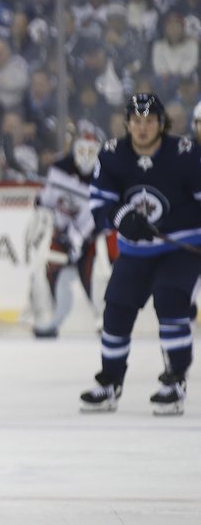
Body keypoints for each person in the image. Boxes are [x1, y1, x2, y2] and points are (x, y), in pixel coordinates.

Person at [80, 93, 201, 416]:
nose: (143, 128)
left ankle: (174, 381)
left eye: (150, 121)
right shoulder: (112, 154)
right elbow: (100, 204)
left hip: (181, 247)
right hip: (136, 251)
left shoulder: (185, 155)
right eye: (136, 121)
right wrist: (122, 218)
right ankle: (110, 382)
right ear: (127, 124)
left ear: (162, 124)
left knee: (170, 299)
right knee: (116, 311)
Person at [26, 120, 114, 338]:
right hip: (62, 232)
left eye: (90, 150)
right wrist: (47, 218)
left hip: (92, 238)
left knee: (101, 273)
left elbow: (98, 216)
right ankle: (45, 318)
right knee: (41, 270)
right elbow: (47, 202)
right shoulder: (59, 169)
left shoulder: (106, 177)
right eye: (81, 149)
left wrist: (78, 238)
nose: (85, 154)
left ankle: (106, 320)